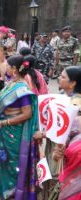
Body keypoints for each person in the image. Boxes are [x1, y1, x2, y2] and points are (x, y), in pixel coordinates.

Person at [0, 33, 38, 199]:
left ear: (14, 70)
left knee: (12, 164)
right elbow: (0, 60)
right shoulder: (12, 82)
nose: (5, 67)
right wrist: (0, 40)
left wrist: (5, 123)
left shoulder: (22, 89)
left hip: (13, 133)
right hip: (4, 130)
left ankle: (12, 193)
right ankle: (1, 193)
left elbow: (27, 113)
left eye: (8, 66)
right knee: (2, 163)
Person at [34, 66, 81, 200]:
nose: (59, 78)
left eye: (63, 76)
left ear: (73, 83)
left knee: (57, 176)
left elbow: (67, 128)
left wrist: (43, 134)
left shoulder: (76, 103)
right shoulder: (62, 96)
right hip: (54, 144)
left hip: (64, 148)